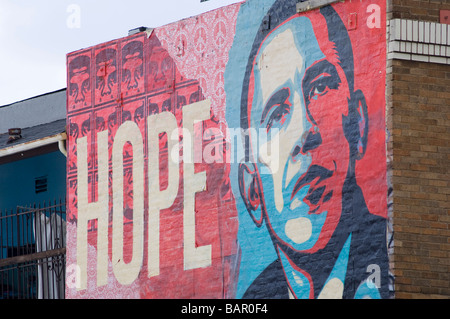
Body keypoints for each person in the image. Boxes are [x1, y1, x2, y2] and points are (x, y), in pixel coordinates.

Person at [236, 1, 388, 298]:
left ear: (358, 123)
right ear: (252, 189)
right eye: (276, 114)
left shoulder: (396, 258)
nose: (304, 132)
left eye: (320, 88)